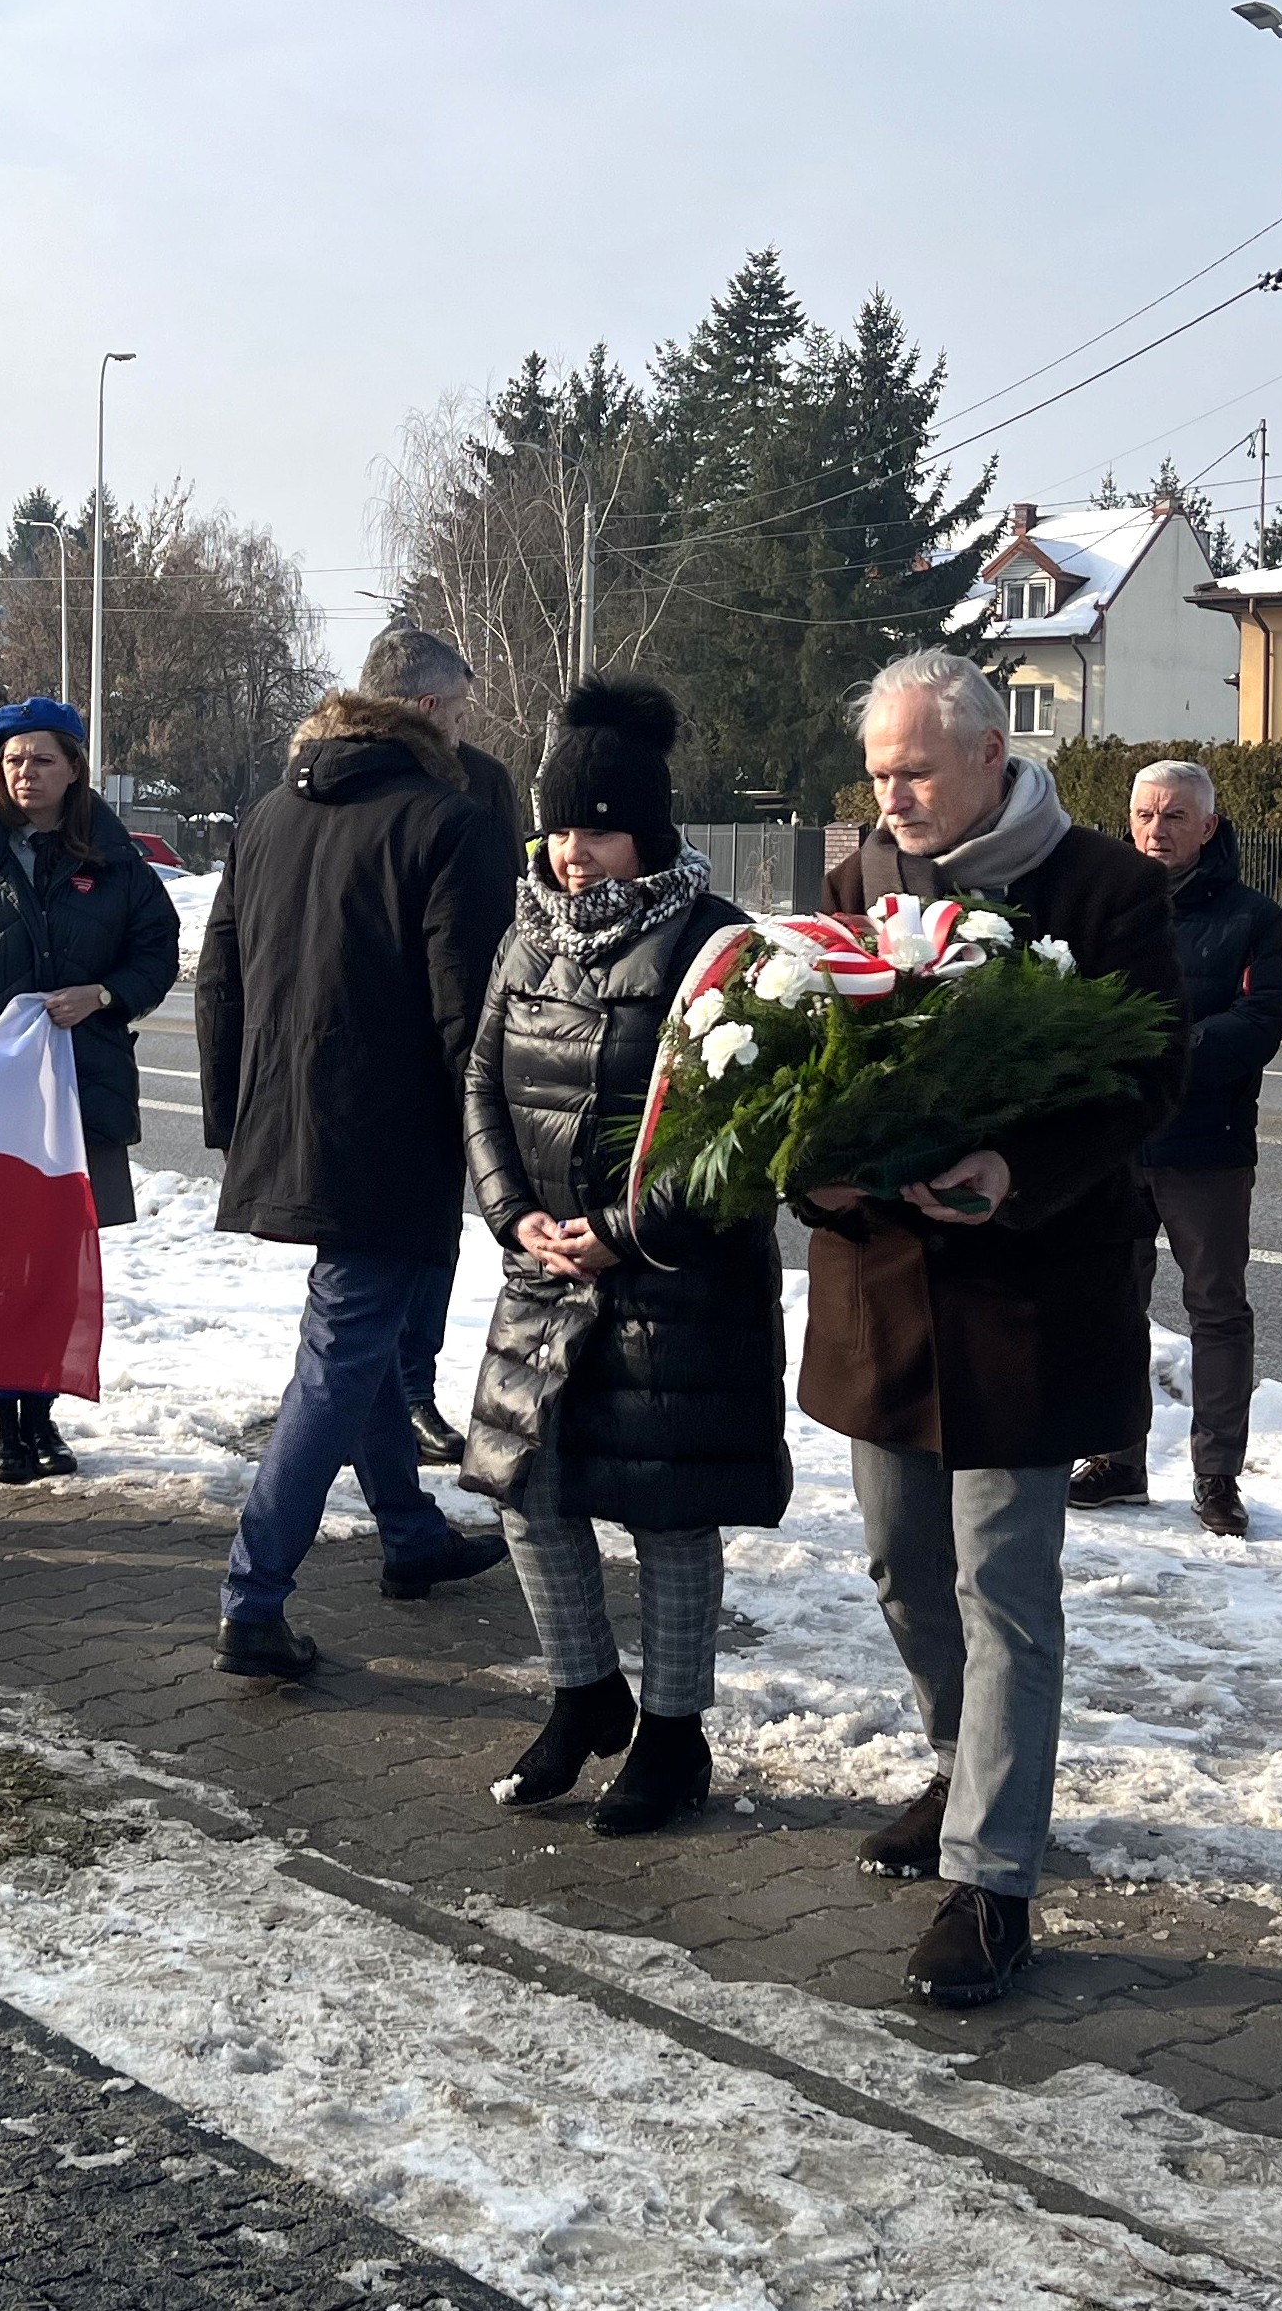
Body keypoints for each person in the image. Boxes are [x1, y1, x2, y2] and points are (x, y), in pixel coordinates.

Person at [798, 648, 1187, 2007]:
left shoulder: (1107, 888)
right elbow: (807, 1050)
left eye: (912, 770)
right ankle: (960, 1763)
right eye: (879, 772)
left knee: (1002, 1583)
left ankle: (994, 1876)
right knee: (905, 1569)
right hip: (887, 1293)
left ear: (984, 755)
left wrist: (1018, 1173)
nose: (890, 794)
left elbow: (1144, 1078)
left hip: (1028, 1289)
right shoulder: (859, 880)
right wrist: (812, 1160)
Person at [459, 675, 790, 1832]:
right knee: (526, 1488)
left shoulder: (719, 943)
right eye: (558, 828)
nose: (570, 852)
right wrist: (515, 1218)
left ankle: (674, 1734)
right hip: (543, 1273)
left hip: (671, 1286)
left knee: (665, 1514)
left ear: (646, 829)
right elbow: (482, 1086)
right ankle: (585, 1691)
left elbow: (746, 1133)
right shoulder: (527, 931)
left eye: (594, 827)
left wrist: (629, 1231)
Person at [199, 683, 523, 1677]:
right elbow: (467, 1006)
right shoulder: (450, 822)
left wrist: (231, 1115)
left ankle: (411, 1536)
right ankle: (252, 1596)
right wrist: (498, 1146)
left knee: (364, 1339)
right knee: (342, 1350)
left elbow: (218, 972)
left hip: (285, 1113)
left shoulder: (267, 813)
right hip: (392, 1131)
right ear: (428, 733)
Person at [0, 695, 182, 1483]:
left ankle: (42, 1414)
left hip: (81, 1085)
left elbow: (157, 950)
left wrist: (105, 993)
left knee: (58, 1259)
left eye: (43, 760)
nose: (27, 773)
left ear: (74, 769)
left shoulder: (113, 857)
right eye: (14, 759)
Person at [1069, 761, 1282, 1537]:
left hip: (1206, 1145)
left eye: (1173, 817)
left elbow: (1259, 1020)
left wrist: (1163, 1053)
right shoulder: (1099, 905)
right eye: (1144, 815)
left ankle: (1217, 1473)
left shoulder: (1250, 916)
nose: (1156, 830)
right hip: (1115, 1143)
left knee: (1216, 1309)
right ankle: (1115, 1458)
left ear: (1207, 826)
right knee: (1110, 1301)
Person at [353, 624, 523, 1472]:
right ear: (425, 705)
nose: (465, 717)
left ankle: (407, 1391)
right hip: (362, 1047)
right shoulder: (335, 785)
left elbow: (513, 907)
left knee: (429, 1237)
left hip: (455, 1038)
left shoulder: (484, 782)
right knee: (357, 1249)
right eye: (457, 704)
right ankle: (363, 1393)